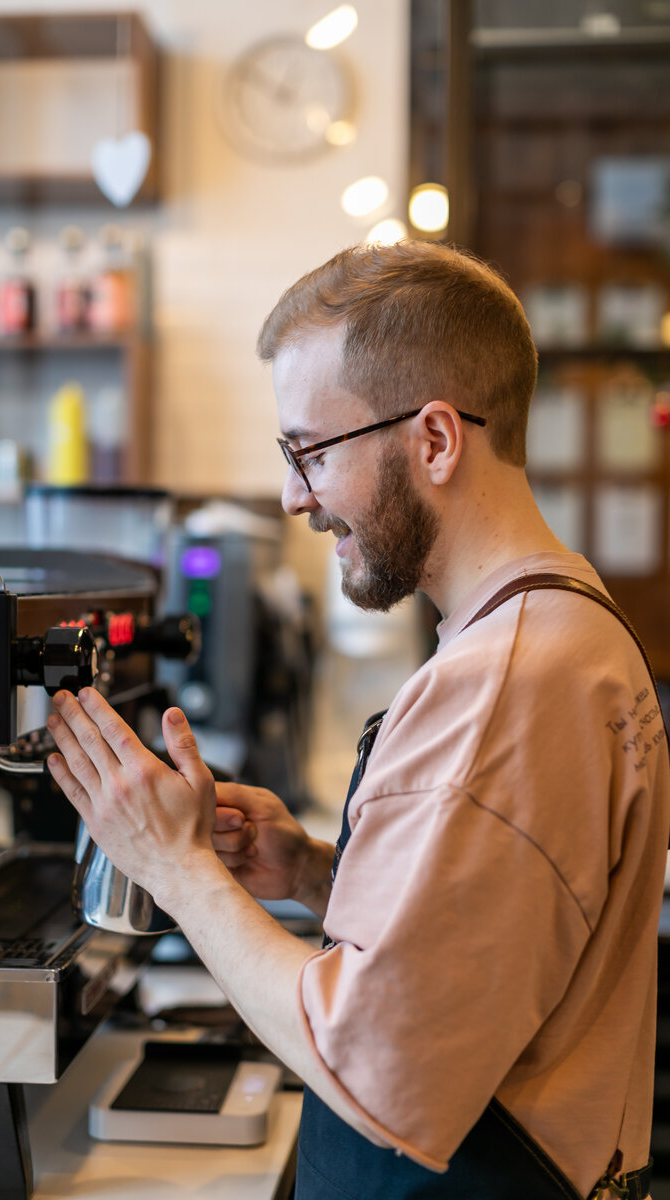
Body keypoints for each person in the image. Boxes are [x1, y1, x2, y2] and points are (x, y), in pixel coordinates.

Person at [45, 240, 669, 1200]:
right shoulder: (565, 620)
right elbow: (495, 947)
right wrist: (310, 873)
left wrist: (172, 869)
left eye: (312, 452)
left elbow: (376, 1066)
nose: (296, 496)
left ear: (433, 440)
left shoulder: (505, 682)